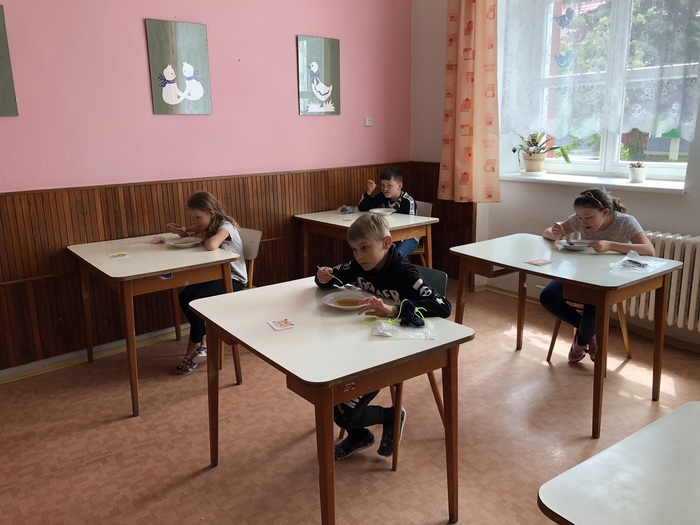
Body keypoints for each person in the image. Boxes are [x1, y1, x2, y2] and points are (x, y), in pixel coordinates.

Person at [315, 213, 451, 460]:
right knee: (329, 393)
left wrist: (393, 310)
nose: (359, 255)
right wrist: (322, 277)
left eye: (365, 247)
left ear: (387, 243)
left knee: (342, 412)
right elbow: (334, 278)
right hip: (365, 346)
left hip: (393, 352)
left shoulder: (404, 273)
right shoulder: (359, 265)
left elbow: (443, 306)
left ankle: (391, 416)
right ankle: (360, 436)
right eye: (354, 249)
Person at [540, 187, 654, 363]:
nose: (582, 222)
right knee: (547, 297)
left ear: (605, 212)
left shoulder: (625, 222)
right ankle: (588, 334)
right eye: (579, 217)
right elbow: (548, 232)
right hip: (581, 273)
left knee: (592, 305)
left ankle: (580, 343)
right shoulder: (579, 219)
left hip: (608, 277)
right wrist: (555, 233)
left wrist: (611, 245)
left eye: (588, 217)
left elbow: (649, 250)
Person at [166, 191, 248, 374]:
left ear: (211, 213)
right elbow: (190, 231)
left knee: (194, 301)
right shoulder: (210, 223)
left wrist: (201, 235)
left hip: (234, 279)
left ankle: (195, 346)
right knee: (185, 296)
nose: (196, 222)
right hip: (216, 275)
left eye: (198, 217)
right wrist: (182, 231)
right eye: (193, 217)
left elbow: (211, 245)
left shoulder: (225, 226)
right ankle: (202, 340)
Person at [357, 166, 419, 257]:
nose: (385, 189)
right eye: (383, 185)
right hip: (389, 235)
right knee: (373, 251)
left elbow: (410, 226)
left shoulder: (408, 201)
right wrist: (368, 192)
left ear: (400, 186)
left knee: (395, 255)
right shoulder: (383, 196)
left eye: (389, 185)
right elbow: (363, 208)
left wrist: (394, 243)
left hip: (409, 237)